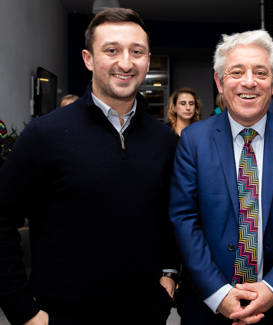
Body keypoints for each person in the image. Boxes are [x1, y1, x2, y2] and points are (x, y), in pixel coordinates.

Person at [0, 8, 178, 325]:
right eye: (112, 50)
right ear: (88, 59)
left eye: (136, 52)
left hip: (146, 314)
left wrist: (169, 277)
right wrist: (23, 312)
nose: (125, 62)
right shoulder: (44, 135)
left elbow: (172, 219)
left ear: (148, 61)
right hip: (62, 316)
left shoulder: (163, 139)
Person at [169, 30, 273, 324]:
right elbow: (184, 219)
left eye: (260, 72)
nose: (249, 82)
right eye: (237, 72)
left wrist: (272, 288)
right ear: (219, 81)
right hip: (207, 306)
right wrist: (218, 294)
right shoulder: (193, 140)